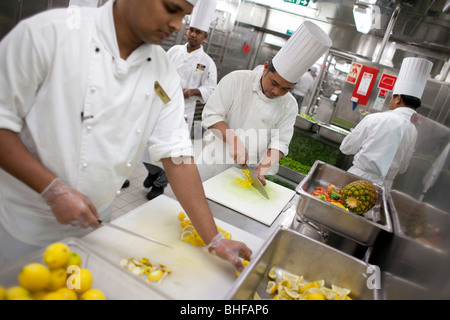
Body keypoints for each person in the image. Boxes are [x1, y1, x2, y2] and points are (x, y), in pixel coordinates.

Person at [0, 0, 251, 271]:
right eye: (170, 8)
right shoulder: (48, 34)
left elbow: (177, 154)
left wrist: (213, 238)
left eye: (184, 15)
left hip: (94, 228)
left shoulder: (162, 71)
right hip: (21, 226)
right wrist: (53, 190)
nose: (178, 26)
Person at [197, 21, 332, 183]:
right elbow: (211, 115)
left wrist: (261, 170)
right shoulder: (236, 80)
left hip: (247, 173)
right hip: (213, 164)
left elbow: (280, 143)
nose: (276, 92)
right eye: (274, 83)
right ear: (266, 67)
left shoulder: (289, 105)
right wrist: (234, 140)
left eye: (285, 89)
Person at [139, 0, 218, 201]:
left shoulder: (207, 63)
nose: (192, 34)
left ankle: (159, 184)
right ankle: (153, 172)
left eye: (198, 32)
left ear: (205, 36)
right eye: (191, 29)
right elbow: (159, 70)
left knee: (173, 149)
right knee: (149, 145)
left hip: (184, 110)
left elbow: (211, 88)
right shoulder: (174, 51)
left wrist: (192, 91)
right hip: (161, 105)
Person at [340, 57, 433, 189]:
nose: (390, 101)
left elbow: (346, 148)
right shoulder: (413, 131)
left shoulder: (376, 118)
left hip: (357, 179)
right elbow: (402, 168)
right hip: (383, 188)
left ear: (398, 98)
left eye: (391, 97)